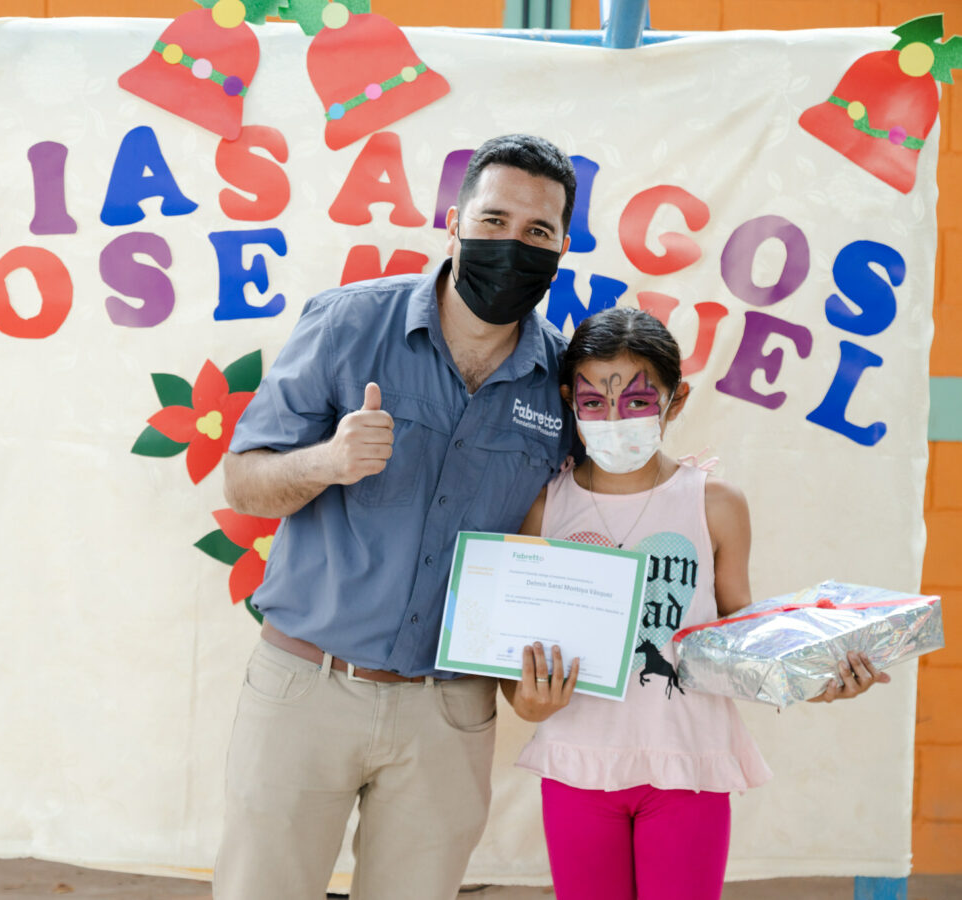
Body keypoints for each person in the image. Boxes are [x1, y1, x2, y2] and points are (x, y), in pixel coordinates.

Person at [212, 134, 576, 900]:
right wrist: (327, 463)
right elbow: (244, 482)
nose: (513, 244)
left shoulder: (559, 386)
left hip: (449, 711)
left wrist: (528, 689)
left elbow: (552, 551)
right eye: (495, 219)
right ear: (454, 221)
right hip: (305, 688)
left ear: (562, 246)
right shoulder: (349, 325)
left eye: (538, 232)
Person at [508, 306, 890, 900]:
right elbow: (519, 655)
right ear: (569, 399)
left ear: (675, 401)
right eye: (593, 402)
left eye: (637, 402)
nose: (614, 418)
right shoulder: (544, 507)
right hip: (576, 760)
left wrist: (817, 673)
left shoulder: (714, 503)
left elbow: (738, 629)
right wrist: (526, 703)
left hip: (690, 761)